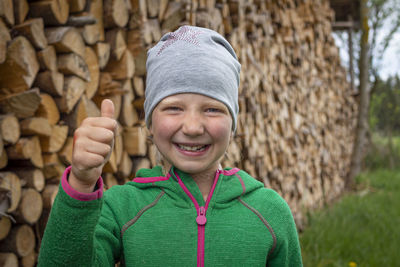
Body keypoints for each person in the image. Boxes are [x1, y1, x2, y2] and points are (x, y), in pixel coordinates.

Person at [38, 25, 302, 267]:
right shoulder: (122, 209)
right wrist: (82, 183)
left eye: (212, 109)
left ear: (232, 123)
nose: (193, 127)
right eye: (174, 108)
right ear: (150, 122)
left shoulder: (270, 211)